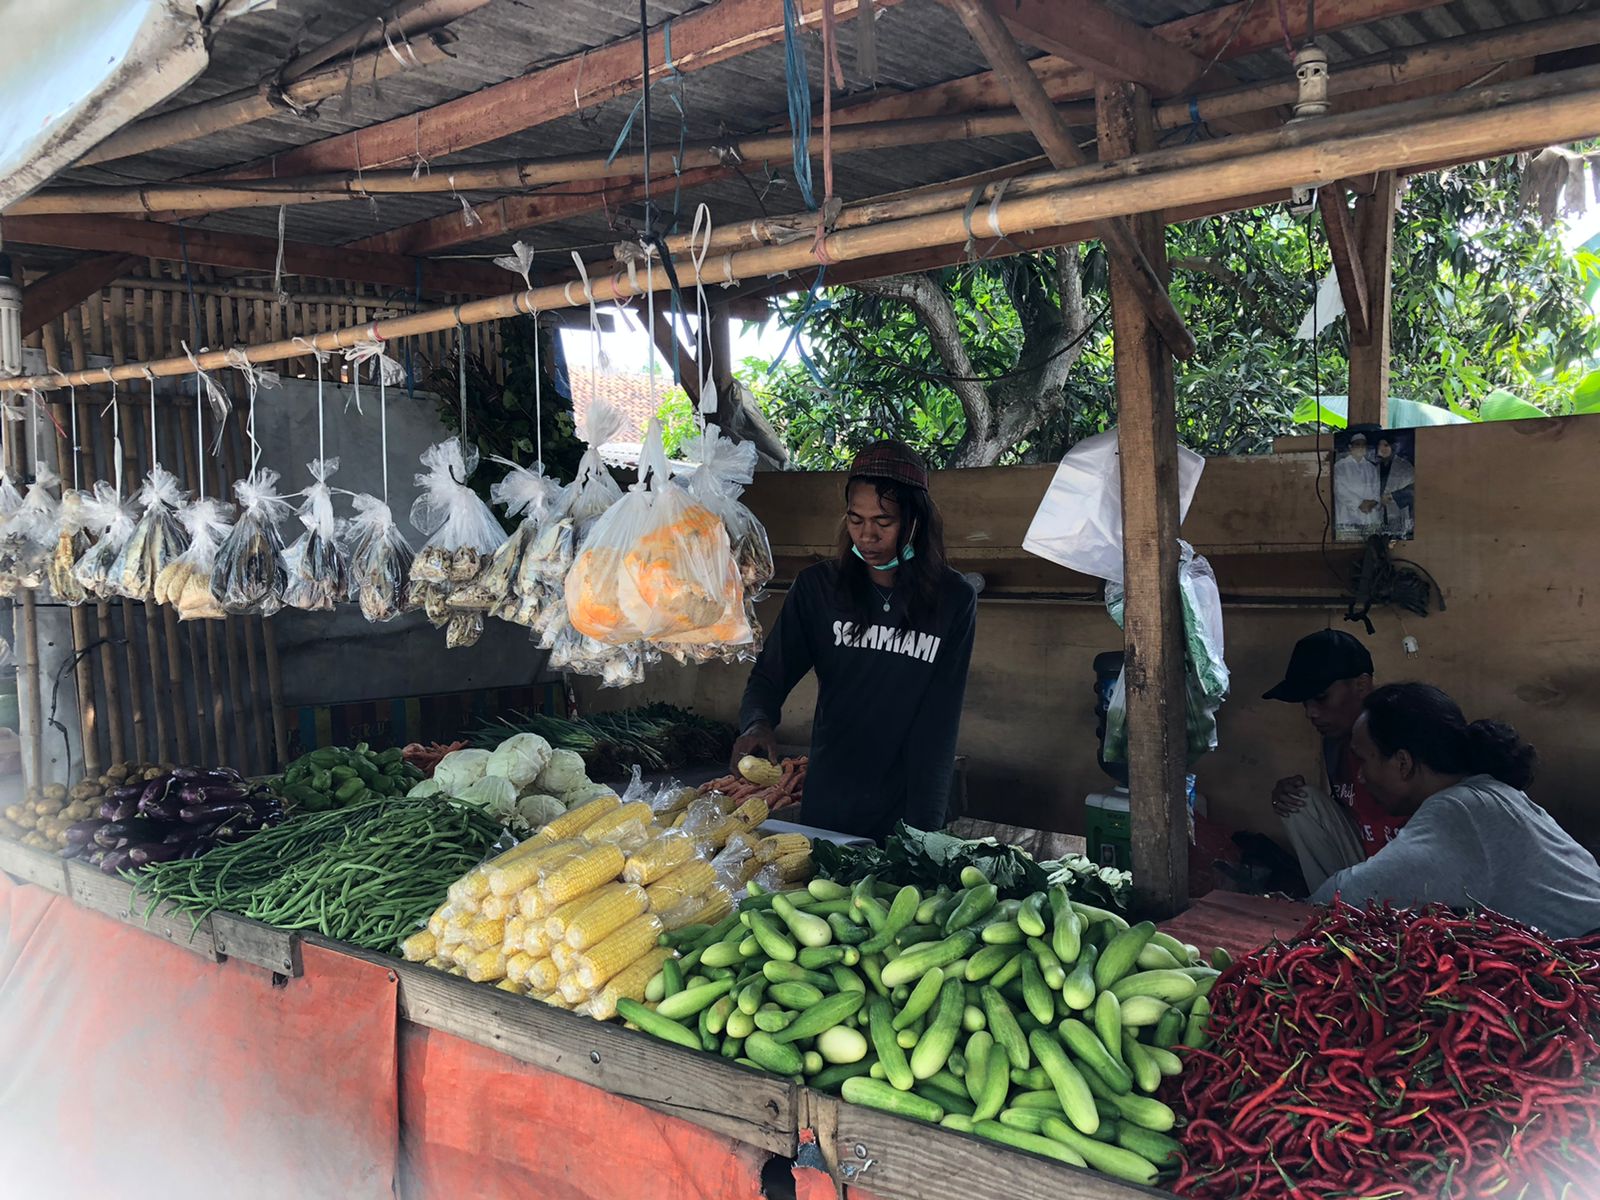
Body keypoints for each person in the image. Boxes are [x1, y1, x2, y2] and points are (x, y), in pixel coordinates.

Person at [733, 441, 978, 841]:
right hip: (832, 800)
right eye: (856, 519)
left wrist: (924, 831)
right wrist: (757, 722)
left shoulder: (953, 600)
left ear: (915, 521)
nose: (867, 536)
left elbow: (941, 720)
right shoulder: (818, 589)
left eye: (884, 522)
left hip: (910, 803)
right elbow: (770, 675)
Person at [1312, 683, 1600, 937]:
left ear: (1403, 763)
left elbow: (1350, 895)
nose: (1360, 776)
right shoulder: (1489, 792)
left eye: (1363, 760)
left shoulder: (1458, 811)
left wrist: (1293, 911)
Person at [1265, 630, 1406, 893]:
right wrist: (1284, 796)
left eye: (1321, 697)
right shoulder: (1335, 742)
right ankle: (1330, 909)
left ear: (1361, 686)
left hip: (1412, 872)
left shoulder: (1403, 737)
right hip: (1363, 866)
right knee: (1299, 801)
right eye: (1305, 702)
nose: (1311, 712)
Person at [1334, 432, 1382, 539]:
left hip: (1369, 516)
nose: (1361, 447)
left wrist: (1372, 502)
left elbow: (1377, 490)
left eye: (1363, 445)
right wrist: (1359, 503)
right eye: (1357, 444)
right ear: (1350, 447)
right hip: (1347, 516)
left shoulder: (1371, 468)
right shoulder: (1340, 466)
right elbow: (1339, 489)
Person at [1376, 436, 1415, 536]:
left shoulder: (1405, 466)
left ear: (1393, 447)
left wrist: (1393, 496)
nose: (1382, 449)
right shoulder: (1375, 467)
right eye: (1379, 445)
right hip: (1378, 515)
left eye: (1386, 445)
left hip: (1398, 514)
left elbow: (1413, 490)